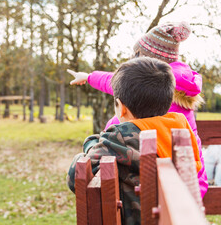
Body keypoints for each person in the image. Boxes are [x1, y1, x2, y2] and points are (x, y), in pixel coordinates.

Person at [67, 21, 208, 198]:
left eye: (137, 56)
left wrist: (99, 139)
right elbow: (113, 82)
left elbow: (76, 176)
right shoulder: (174, 87)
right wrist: (89, 77)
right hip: (189, 186)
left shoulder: (126, 135)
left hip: (164, 194)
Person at [67, 57, 202, 225]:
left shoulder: (122, 137)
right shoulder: (179, 128)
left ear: (121, 107)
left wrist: (91, 142)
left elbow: (76, 175)